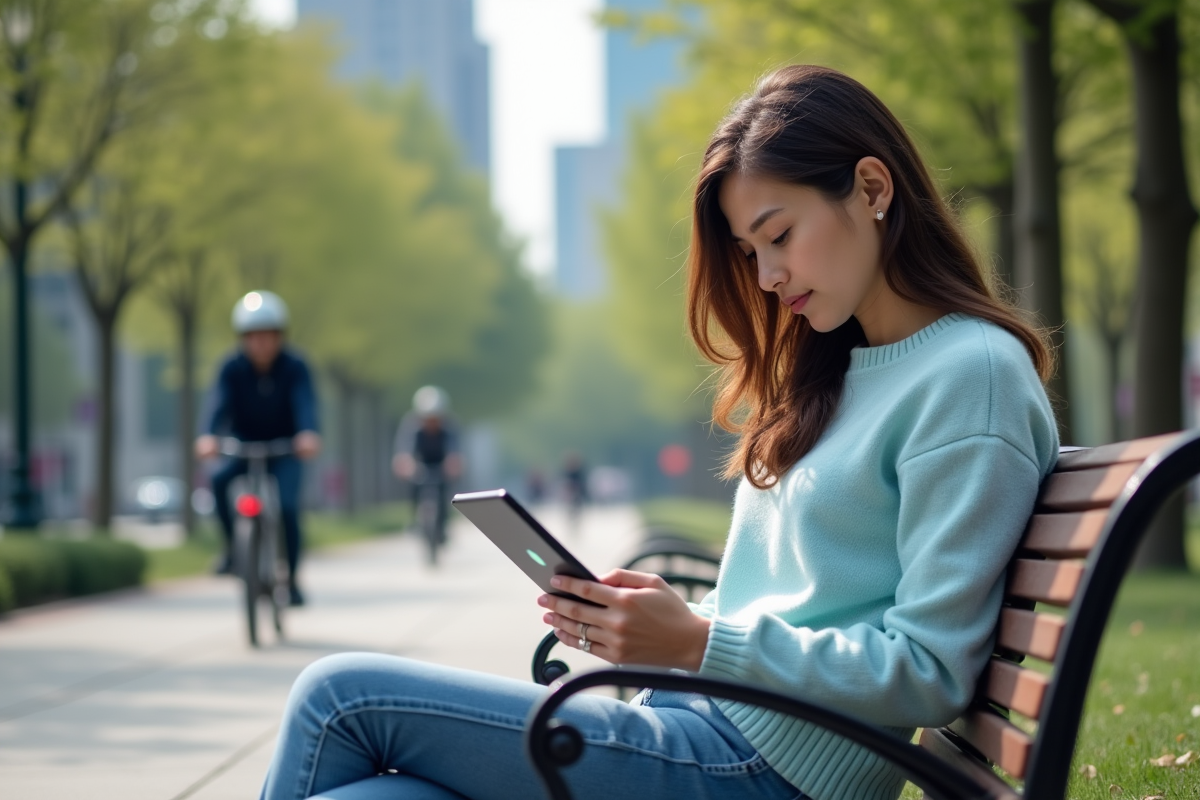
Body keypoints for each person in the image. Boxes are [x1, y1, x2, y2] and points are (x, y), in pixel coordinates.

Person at [257, 66, 1059, 800]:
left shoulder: (969, 376)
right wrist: (666, 621)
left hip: (757, 769)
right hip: (706, 728)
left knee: (337, 698)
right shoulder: (841, 370)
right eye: (750, 252)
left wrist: (700, 642)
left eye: (779, 236)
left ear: (872, 187)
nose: (768, 277)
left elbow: (930, 670)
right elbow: (799, 600)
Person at [196, 291, 321, 607]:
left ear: (280, 336)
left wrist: (308, 434)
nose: (261, 344)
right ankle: (233, 550)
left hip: (286, 449)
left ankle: (291, 581)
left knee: (289, 507)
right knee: (219, 480)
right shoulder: (231, 367)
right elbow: (217, 405)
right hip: (242, 445)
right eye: (253, 337)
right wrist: (208, 436)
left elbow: (305, 403)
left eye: (268, 336)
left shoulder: (295, 367)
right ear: (243, 338)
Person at [392, 386, 463, 546]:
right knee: (414, 486)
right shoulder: (411, 426)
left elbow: (454, 450)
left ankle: (444, 525)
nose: (431, 422)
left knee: (446, 490)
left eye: (435, 418)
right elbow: (405, 449)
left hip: (441, 464)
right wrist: (405, 463)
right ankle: (414, 520)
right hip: (421, 464)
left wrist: (453, 463)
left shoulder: (450, 427)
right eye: (427, 418)